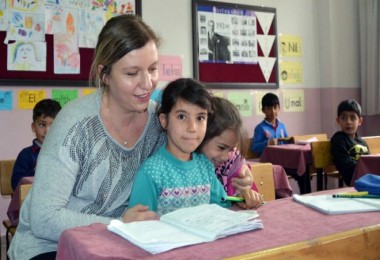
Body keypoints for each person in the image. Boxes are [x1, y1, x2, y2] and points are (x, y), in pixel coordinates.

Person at [8, 15, 253, 260]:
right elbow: (44, 219)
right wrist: (119, 222)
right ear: (105, 75)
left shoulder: (160, 119)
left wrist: (237, 174)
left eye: (153, 69)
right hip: (50, 247)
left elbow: (200, 149)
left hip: (124, 240)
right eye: (132, 73)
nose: (147, 84)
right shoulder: (74, 128)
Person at [129, 78, 231, 216]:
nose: (192, 128)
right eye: (182, 116)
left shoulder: (205, 167)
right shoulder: (151, 172)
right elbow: (138, 224)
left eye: (200, 118)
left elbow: (223, 206)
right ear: (164, 121)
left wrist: (242, 198)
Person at [198, 96, 263, 209]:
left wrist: (243, 196)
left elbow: (238, 192)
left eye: (231, 149)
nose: (225, 157)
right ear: (202, 135)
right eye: (221, 147)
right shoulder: (189, 163)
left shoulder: (233, 162)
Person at [11, 99, 61, 191]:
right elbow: (15, 185)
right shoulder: (25, 154)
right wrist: (36, 170)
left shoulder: (65, 153)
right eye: (42, 125)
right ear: (33, 127)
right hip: (32, 202)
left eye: (53, 125)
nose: (47, 131)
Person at [331, 99, 369, 186]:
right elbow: (345, 164)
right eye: (344, 118)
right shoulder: (338, 140)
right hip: (353, 183)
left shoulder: (362, 142)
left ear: (360, 121)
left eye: (353, 118)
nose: (348, 122)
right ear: (338, 121)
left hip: (367, 179)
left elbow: (369, 161)